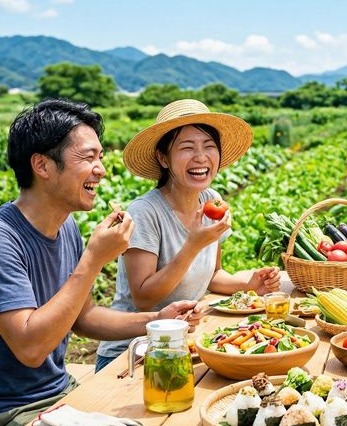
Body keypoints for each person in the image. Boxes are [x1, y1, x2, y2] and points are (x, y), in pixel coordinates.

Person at [0, 99, 199, 426]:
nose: (100, 169)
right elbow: (30, 346)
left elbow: (83, 318)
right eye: (88, 157)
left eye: (100, 157)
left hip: (56, 397)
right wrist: (94, 260)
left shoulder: (65, 231)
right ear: (42, 165)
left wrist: (156, 320)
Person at [96, 99, 281, 372]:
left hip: (181, 345)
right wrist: (193, 245)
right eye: (187, 148)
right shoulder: (146, 212)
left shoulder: (211, 201)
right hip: (131, 354)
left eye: (209, 147)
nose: (201, 157)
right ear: (163, 158)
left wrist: (249, 284)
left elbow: (213, 274)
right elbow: (144, 297)